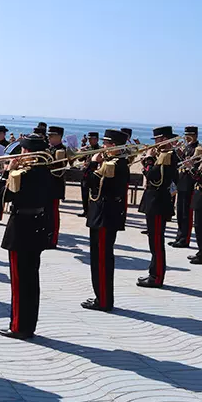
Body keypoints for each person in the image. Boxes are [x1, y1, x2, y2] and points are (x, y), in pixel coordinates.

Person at [0, 134, 51, 339]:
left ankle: (19, 326)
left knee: (20, 282)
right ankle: (29, 325)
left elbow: (3, 197)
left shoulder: (22, 174)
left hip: (20, 228)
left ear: (28, 152)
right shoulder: (46, 170)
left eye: (22, 150)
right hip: (37, 226)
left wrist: (7, 172)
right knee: (31, 279)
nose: (20, 154)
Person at [81, 129, 130, 312]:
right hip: (103, 214)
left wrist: (92, 165)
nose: (104, 146)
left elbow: (89, 183)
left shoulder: (114, 164)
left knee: (101, 258)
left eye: (107, 144)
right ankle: (102, 296)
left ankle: (103, 300)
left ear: (115, 146)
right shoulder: (114, 162)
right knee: (99, 257)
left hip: (105, 215)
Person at [137, 126, 178, 288]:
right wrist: (149, 162)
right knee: (153, 241)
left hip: (158, 202)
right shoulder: (163, 155)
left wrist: (148, 161)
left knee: (156, 242)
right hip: (154, 201)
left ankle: (157, 277)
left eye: (158, 140)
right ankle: (153, 272)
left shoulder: (167, 156)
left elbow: (156, 179)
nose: (156, 143)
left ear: (164, 139)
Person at [170, 126, 200, 249]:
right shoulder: (186, 146)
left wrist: (189, 162)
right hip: (181, 181)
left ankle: (184, 239)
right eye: (186, 134)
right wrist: (177, 150)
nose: (187, 137)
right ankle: (179, 236)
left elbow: (195, 164)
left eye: (190, 135)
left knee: (186, 213)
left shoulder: (198, 149)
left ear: (195, 135)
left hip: (189, 183)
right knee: (180, 212)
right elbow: (180, 160)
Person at [45, 126, 67, 249]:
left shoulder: (61, 150)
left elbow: (58, 172)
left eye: (51, 136)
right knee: (46, 214)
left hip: (54, 187)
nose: (49, 138)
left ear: (59, 136)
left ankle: (52, 240)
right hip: (46, 186)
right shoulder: (49, 149)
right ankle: (45, 237)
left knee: (53, 215)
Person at [78, 132, 100, 218]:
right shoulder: (87, 148)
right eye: (89, 139)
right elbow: (80, 159)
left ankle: (92, 211)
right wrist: (82, 146)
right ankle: (85, 210)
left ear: (97, 140)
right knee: (84, 194)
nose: (90, 141)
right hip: (86, 173)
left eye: (92, 139)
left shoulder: (100, 149)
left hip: (94, 174)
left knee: (93, 194)